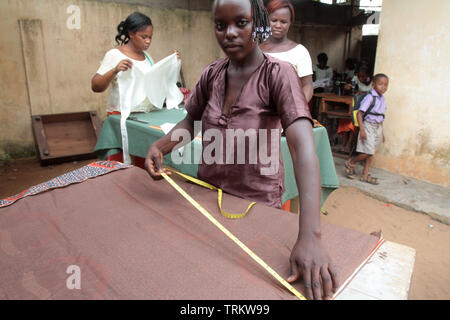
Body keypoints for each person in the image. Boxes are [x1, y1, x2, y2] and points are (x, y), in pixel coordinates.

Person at [144, 0, 338, 300]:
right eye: (221, 26)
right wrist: (160, 146)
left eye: (241, 23)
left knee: (249, 289)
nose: (229, 33)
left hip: (255, 205)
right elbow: (190, 123)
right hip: (207, 199)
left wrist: (311, 236)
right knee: (201, 282)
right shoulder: (212, 73)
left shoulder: (279, 74)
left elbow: (302, 148)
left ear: (257, 23)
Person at [91, 11, 181, 165]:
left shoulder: (147, 57)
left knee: (143, 160)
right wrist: (115, 70)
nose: (148, 41)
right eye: (143, 37)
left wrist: (172, 63)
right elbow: (96, 85)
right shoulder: (115, 55)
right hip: (120, 117)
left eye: (150, 37)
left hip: (144, 120)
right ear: (131, 34)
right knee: (118, 164)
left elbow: (156, 84)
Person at [259, 0, 313, 103]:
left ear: (290, 23)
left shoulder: (300, 52)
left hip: (288, 113)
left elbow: (307, 85)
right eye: (274, 20)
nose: (278, 25)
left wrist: (296, 110)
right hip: (259, 114)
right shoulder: (256, 51)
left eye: (283, 22)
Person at [345, 74, 389, 185]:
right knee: (368, 152)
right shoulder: (370, 97)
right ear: (373, 85)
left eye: (385, 85)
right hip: (368, 125)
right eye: (380, 84)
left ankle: (365, 174)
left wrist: (382, 132)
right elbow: (360, 114)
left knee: (372, 152)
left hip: (377, 127)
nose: (383, 87)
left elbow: (380, 116)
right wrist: (362, 130)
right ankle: (351, 162)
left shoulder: (382, 98)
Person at [338, 66, 373, 154]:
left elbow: (374, 94)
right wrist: (346, 87)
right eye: (359, 77)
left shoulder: (373, 82)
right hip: (356, 105)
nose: (360, 79)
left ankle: (349, 144)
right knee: (345, 119)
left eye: (363, 76)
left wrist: (362, 93)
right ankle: (345, 143)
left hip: (366, 110)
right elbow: (350, 89)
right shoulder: (356, 78)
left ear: (368, 76)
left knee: (353, 122)